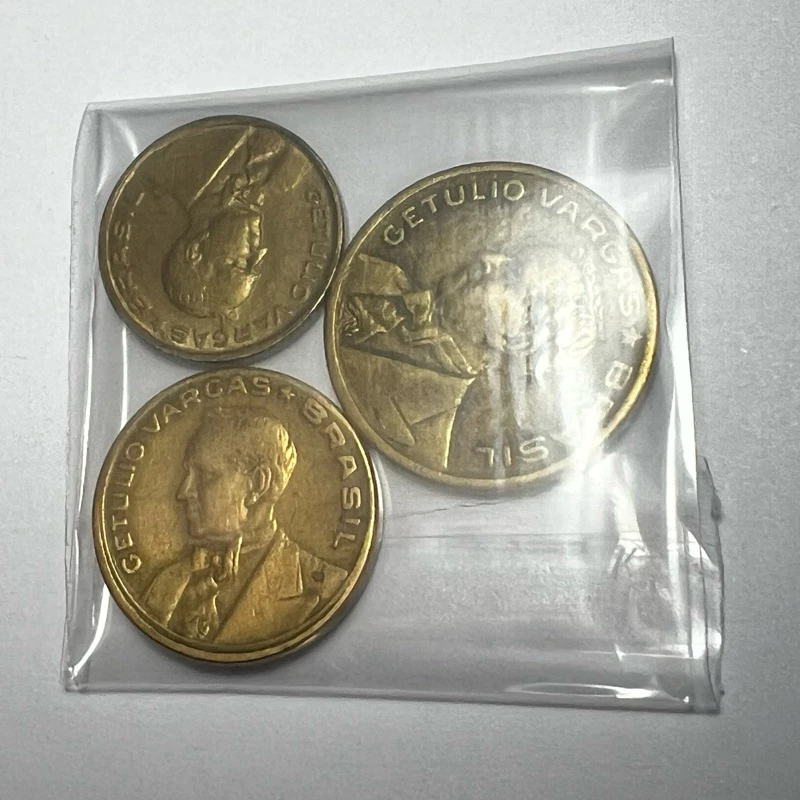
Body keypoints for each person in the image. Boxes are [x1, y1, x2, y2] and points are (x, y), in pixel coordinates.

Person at [144, 408, 346, 644]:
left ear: (258, 484)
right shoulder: (166, 584)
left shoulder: (324, 587)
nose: (183, 492)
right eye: (187, 474)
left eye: (206, 476)